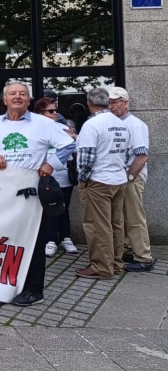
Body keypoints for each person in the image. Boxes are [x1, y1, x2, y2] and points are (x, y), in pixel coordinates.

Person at [0, 83, 76, 307]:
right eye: (13, 94)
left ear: (29, 100)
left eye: (23, 94)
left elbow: (69, 144)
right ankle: (5, 282)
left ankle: (34, 289)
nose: (17, 97)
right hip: (1, 191)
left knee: (34, 240)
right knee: (4, 238)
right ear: (4, 100)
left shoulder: (44, 123)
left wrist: (51, 163)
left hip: (31, 192)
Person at [75, 87, 131, 280]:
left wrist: (82, 180)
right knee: (116, 224)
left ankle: (101, 267)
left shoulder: (92, 125)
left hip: (98, 180)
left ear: (89, 104)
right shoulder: (121, 124)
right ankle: (116, 263)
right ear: (108, 103)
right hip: (118, 178)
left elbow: (86, 158)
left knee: (97, 225)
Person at [108, 87, 155, 272]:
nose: (111, 106)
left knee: (135, 217)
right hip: (123, 176)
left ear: (125, 103)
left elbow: (142, 156)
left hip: (131, 176)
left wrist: (129, 177)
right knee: (125, 216)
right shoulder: (119, 123)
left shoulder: (135, 124)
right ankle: (130, 248)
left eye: (115, 102)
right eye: (109, 103)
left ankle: (144, 257)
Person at [33, 97, 78, 257]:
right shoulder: (35, 128)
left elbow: (74, 149)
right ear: (40, 113)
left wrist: (74, 138)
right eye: (51, 111)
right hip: (46, 176)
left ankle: (66, 238)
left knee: (64, 208)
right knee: (50, 208)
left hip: (64, 174)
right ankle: (50, 240)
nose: (55, 114)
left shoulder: (63, 127)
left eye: (56, 110)